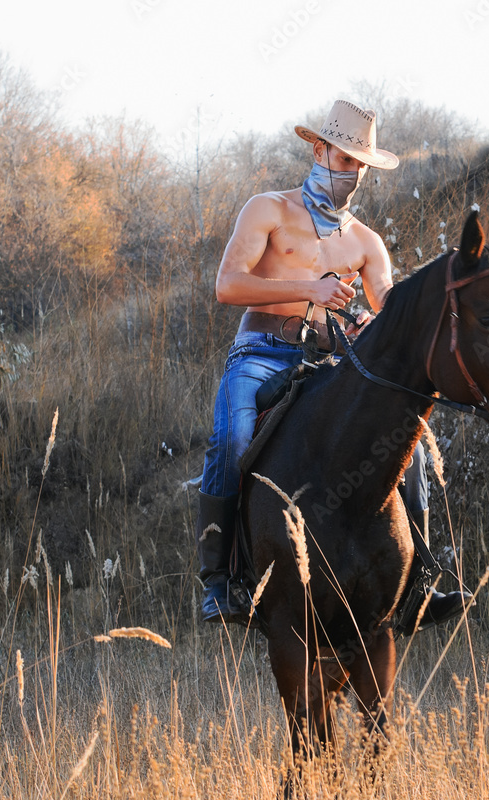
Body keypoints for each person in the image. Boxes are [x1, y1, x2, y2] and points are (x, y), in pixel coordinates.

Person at [195, 99, 468, 631]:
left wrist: (375, 323)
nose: (353, 173)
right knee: (230, 441)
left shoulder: (366, 242)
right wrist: (310, 288)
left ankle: (418, 585)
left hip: (329, 361)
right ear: (318, 149)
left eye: (360, 165)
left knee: (404, 449)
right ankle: (218, 582)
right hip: (260, 352)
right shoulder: (268, 209)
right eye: (344, 159)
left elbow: (388, 305)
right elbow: (228, 285)